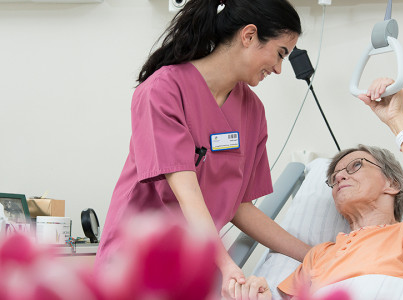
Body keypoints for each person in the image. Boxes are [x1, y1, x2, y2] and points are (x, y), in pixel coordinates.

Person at [93, 0, 312, 299]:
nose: (278, 69)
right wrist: (227, 265)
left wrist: (313, 256)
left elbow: (240, 206)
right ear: (248, 36)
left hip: (194, 269)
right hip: (135, 264)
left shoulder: (252, 112)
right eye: (279, 53)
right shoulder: (163, 91)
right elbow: (188, 192)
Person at [273, 78, 403, 298]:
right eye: (333, 177)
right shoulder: (319, 255)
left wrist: (396, 120)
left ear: (392, 183)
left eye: (356, 165)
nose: (339, 176)